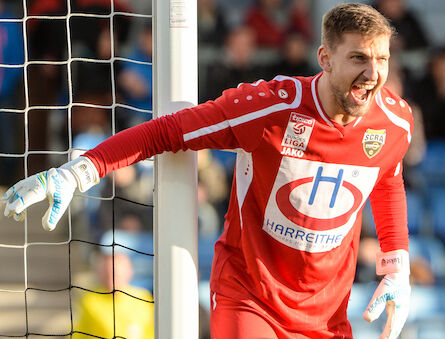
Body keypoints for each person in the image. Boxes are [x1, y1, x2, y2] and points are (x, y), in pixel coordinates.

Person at [1, 4, 413, 339]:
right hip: (252, 300)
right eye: (358, 57)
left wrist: (397, 264)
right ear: (324, 58)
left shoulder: (395, 123)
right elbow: (168, 130)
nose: (373, 73)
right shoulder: (269, 107)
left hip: (327, 314)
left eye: (381, 59)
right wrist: (77, 173)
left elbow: (388, 179)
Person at [73, 250, 153, 339]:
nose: (112, 278)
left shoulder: (143, 297)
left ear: (129, 272)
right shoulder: (89, 300)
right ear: (99, 274)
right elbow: (78, 335)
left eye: (116, 273)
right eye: (107, 273)